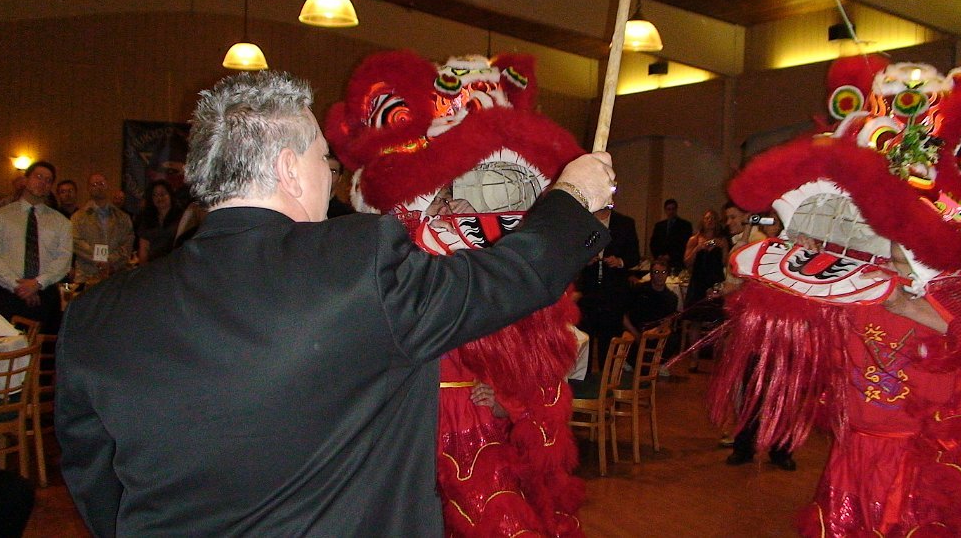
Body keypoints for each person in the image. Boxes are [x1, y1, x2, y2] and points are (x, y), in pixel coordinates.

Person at [55, 70, 615, 537]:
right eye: (325, 159)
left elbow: (97, 485)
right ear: (288, 169)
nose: (332, 175)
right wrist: (574, 197)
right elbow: (504, 279)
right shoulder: (357, 264)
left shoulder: (94, 316)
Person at [0, 161, 72, 333]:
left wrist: (37, 283)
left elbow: (63, 260)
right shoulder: (0, 217)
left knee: (42, 347)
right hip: (6, 293)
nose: (42, 182)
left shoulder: (61, 222)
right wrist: (19, 286)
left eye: (48, 180)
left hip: (45, 295)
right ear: (26, 179)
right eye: (38, 177)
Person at [576, 205, 640, 370]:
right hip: (588, 292)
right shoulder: (583, 222)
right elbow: (573, 254)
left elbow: (634, 256)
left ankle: (607, 381)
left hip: (613, 293)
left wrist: (620, 261)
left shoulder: (625, 223)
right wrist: (584, 260)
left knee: (609, 342)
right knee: (585, 341)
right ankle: (584, 380)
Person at [70, 173, 134, 283]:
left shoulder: (122, 217)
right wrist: (101, 260)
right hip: (87, 275)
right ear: (88, 188)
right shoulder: (78, 217)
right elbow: (76, 243)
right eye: (94, 184)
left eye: (101, 183)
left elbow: (127, 243)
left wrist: (110, 261)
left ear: (107, 186)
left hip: (115, 274)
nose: (98, 187)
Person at [134, 179, 182, 264]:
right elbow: (143, 248)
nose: (159, 198)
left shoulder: (181, 217)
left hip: (175, 264)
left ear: (170, 195)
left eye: (162, 194)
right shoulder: (147, 218)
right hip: (153, 265)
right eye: (155, 195)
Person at [649, 198, 692, 273]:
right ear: (665, 210)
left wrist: (671, 256)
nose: (671, 211)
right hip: (660, 262)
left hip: (677, 262)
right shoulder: (659, 226)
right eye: (669, 209)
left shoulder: (685, 225)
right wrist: (658, 255)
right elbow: (653, 243)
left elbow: (685, 244)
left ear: (676, 209)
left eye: (673, 209)